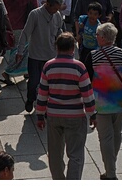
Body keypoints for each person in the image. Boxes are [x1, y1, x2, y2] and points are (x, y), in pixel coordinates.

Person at [35, 31, 96, 180]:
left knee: (55, 153)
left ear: (56, 48)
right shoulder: (79, 67)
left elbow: (42, 93)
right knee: (75, 154)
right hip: (75, 116)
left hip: (54, 115)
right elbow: (87, 94)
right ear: (72, 48)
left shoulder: (48, 66)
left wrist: (40, 115)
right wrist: (92, 114)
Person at [91, 22, 122, 180]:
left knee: (105, 137)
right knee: (116, 133)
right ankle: (112, 165)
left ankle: (110, 173)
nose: (96, 37)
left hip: (101, 103)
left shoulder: (93, 56)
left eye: (97, 35)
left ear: (104, 38)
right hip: (120, 101)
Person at [16, 0, 64, 113]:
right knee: (33, 82)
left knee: (49, 84)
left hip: (51, 55)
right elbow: (25, 33)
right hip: (35, 55)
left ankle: (46, 104)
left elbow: (59, 31)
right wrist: (20, 51)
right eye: (54, 8)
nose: (56, 11)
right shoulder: (35, 14)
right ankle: (30, 99)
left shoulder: (57, 15)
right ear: (48, 4)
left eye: (58, 9)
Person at [1, 0, 38, 82]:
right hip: (25, 26)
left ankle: (25, 71)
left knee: (16, 50)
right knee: (21, 51)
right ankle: (7, 72)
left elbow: (3, 9)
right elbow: (35, 10)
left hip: (11, 26)